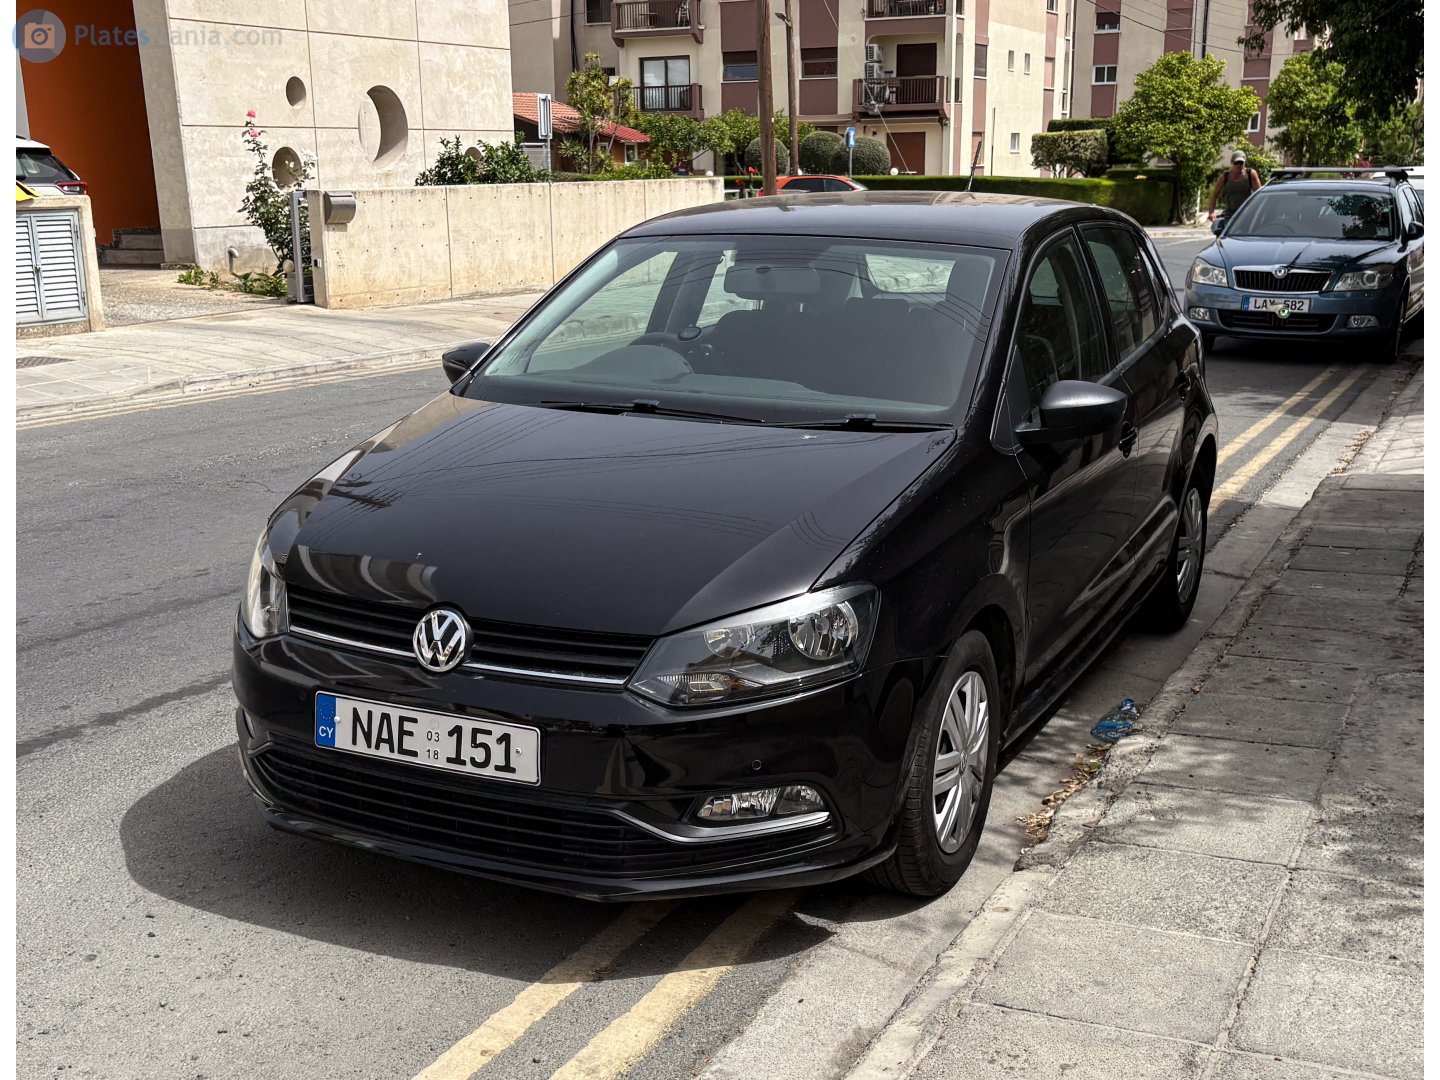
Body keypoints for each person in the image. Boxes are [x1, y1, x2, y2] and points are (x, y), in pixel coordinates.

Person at [1207, 151, 1261, 221]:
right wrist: (1211, 212)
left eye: (1241, 163)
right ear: (1232, 162)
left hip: (1247, 214)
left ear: (1245, 163)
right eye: (1236, 163)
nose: (1239, 165)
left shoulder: (1250, 174)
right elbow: (1214, 195)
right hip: (1230, 214)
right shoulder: (1225, 177)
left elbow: (1259, 194)